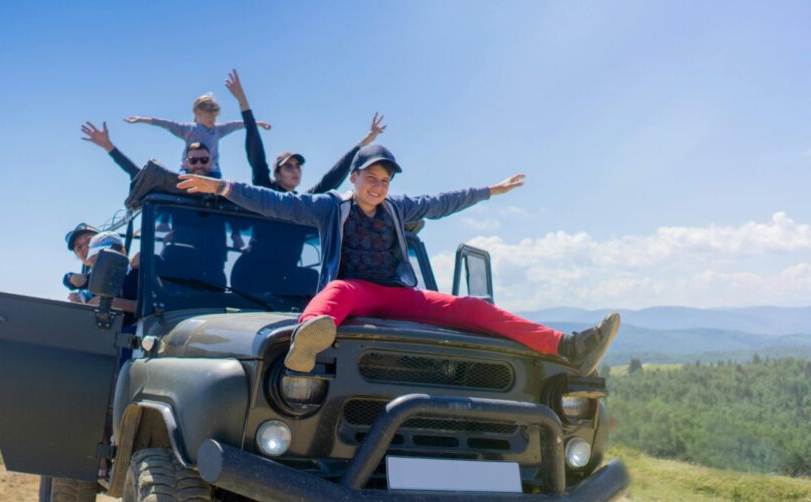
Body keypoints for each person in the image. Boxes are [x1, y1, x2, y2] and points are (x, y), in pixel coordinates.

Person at [177, 144, 620, 375]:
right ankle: (304, 345)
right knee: (333, 292)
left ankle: (568, 347)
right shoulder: (329, 208)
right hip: (354, 293)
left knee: (471, 308)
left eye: (385, 180)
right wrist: (220, 187)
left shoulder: (398, 208)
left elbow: (444, 200)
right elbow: (274, 202)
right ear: (355, 179)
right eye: (371, 178)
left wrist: (491, 190)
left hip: (395, 294)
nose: (378, 186)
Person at [224, 69, 386, 194]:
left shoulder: (302, 204)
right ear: (277, 174)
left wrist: (365, 142)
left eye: (297, 166)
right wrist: (242, 101)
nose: (295, 170)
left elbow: (331, 179)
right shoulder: (265, 190)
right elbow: (256, 151)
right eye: (288, 167)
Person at [125, 92, 271, 178]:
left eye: (215, 117)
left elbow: (238, 124)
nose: (213, 120)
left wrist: (258, 123)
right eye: (211, 117)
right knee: (177, 184)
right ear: (198, 113)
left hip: (212, 170)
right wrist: (140, 119)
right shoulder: (188, 129)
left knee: (218, 189)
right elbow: (164, 123)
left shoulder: (217, 129)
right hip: (189, 168)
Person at [63, 223, 100, 302]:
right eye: (79, 247)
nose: (84, 247)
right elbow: (67, 278)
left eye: (89, 241)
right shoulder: (92, 280)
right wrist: (83, 298)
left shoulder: (129, 269)